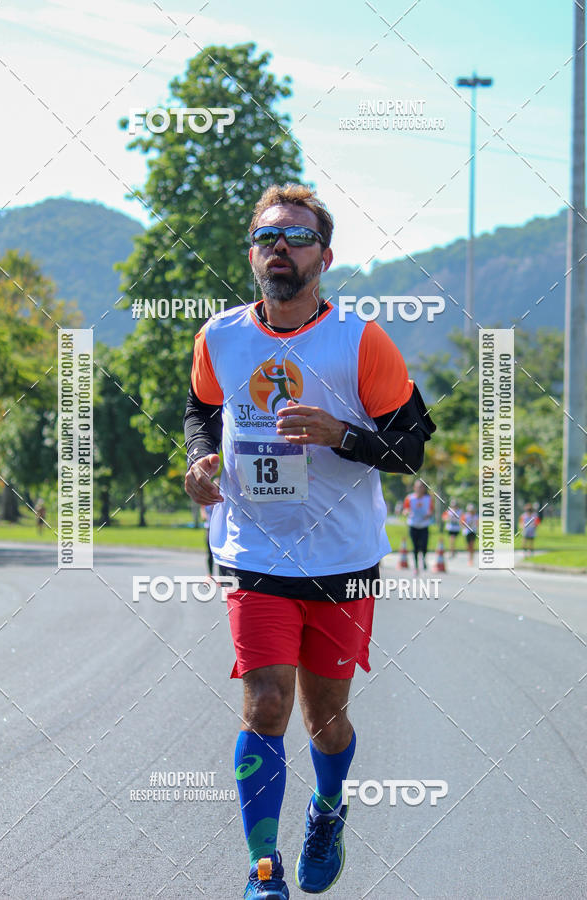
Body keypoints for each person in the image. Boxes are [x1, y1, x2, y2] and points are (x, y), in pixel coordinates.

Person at [183, 183, 436, 899]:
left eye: (296, 238)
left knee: (327, 719)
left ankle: (327, 810)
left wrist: (343, 435)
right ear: (252, 252)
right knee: (265, 703)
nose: (281, 249)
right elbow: (202, 409)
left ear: (325, 256)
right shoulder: (220, 336)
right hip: (253, 551)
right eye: (268, 237)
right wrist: (202, 462)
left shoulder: (361, 340)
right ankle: (264, 868)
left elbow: (411, 446)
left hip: (342, 560)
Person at [402, 480, 434, 575]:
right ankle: (416, 566)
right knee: (415, 546)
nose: (419, 489)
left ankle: (423, 559)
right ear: (414, 488)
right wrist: (407, 512)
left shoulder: (428, 499)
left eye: (421, 487)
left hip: (424, 525)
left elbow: (431, 510)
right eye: (418, 487)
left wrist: (428, 514)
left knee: (424, 545)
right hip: (413, 525)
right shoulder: (410, 498)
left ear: (424, 489)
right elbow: (405, 509)